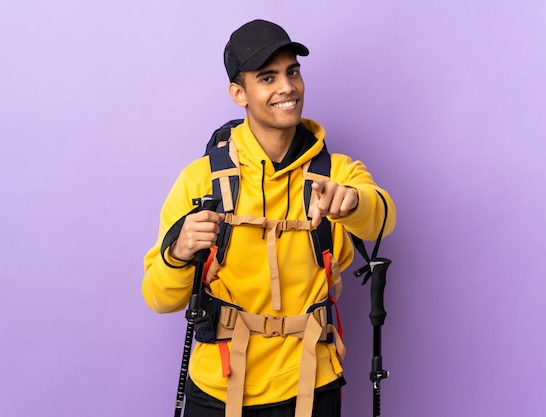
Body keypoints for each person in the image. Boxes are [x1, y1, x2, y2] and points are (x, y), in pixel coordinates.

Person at [142, 19, 396, 417]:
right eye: (267, 77)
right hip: (217, 387)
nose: (287, 87)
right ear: (239, 93)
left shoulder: (337, 171)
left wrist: (350, 204)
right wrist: (178, 251)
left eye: (292, 72)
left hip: (312, 382)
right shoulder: (200, 179)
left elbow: (381, 220)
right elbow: (158, 296)